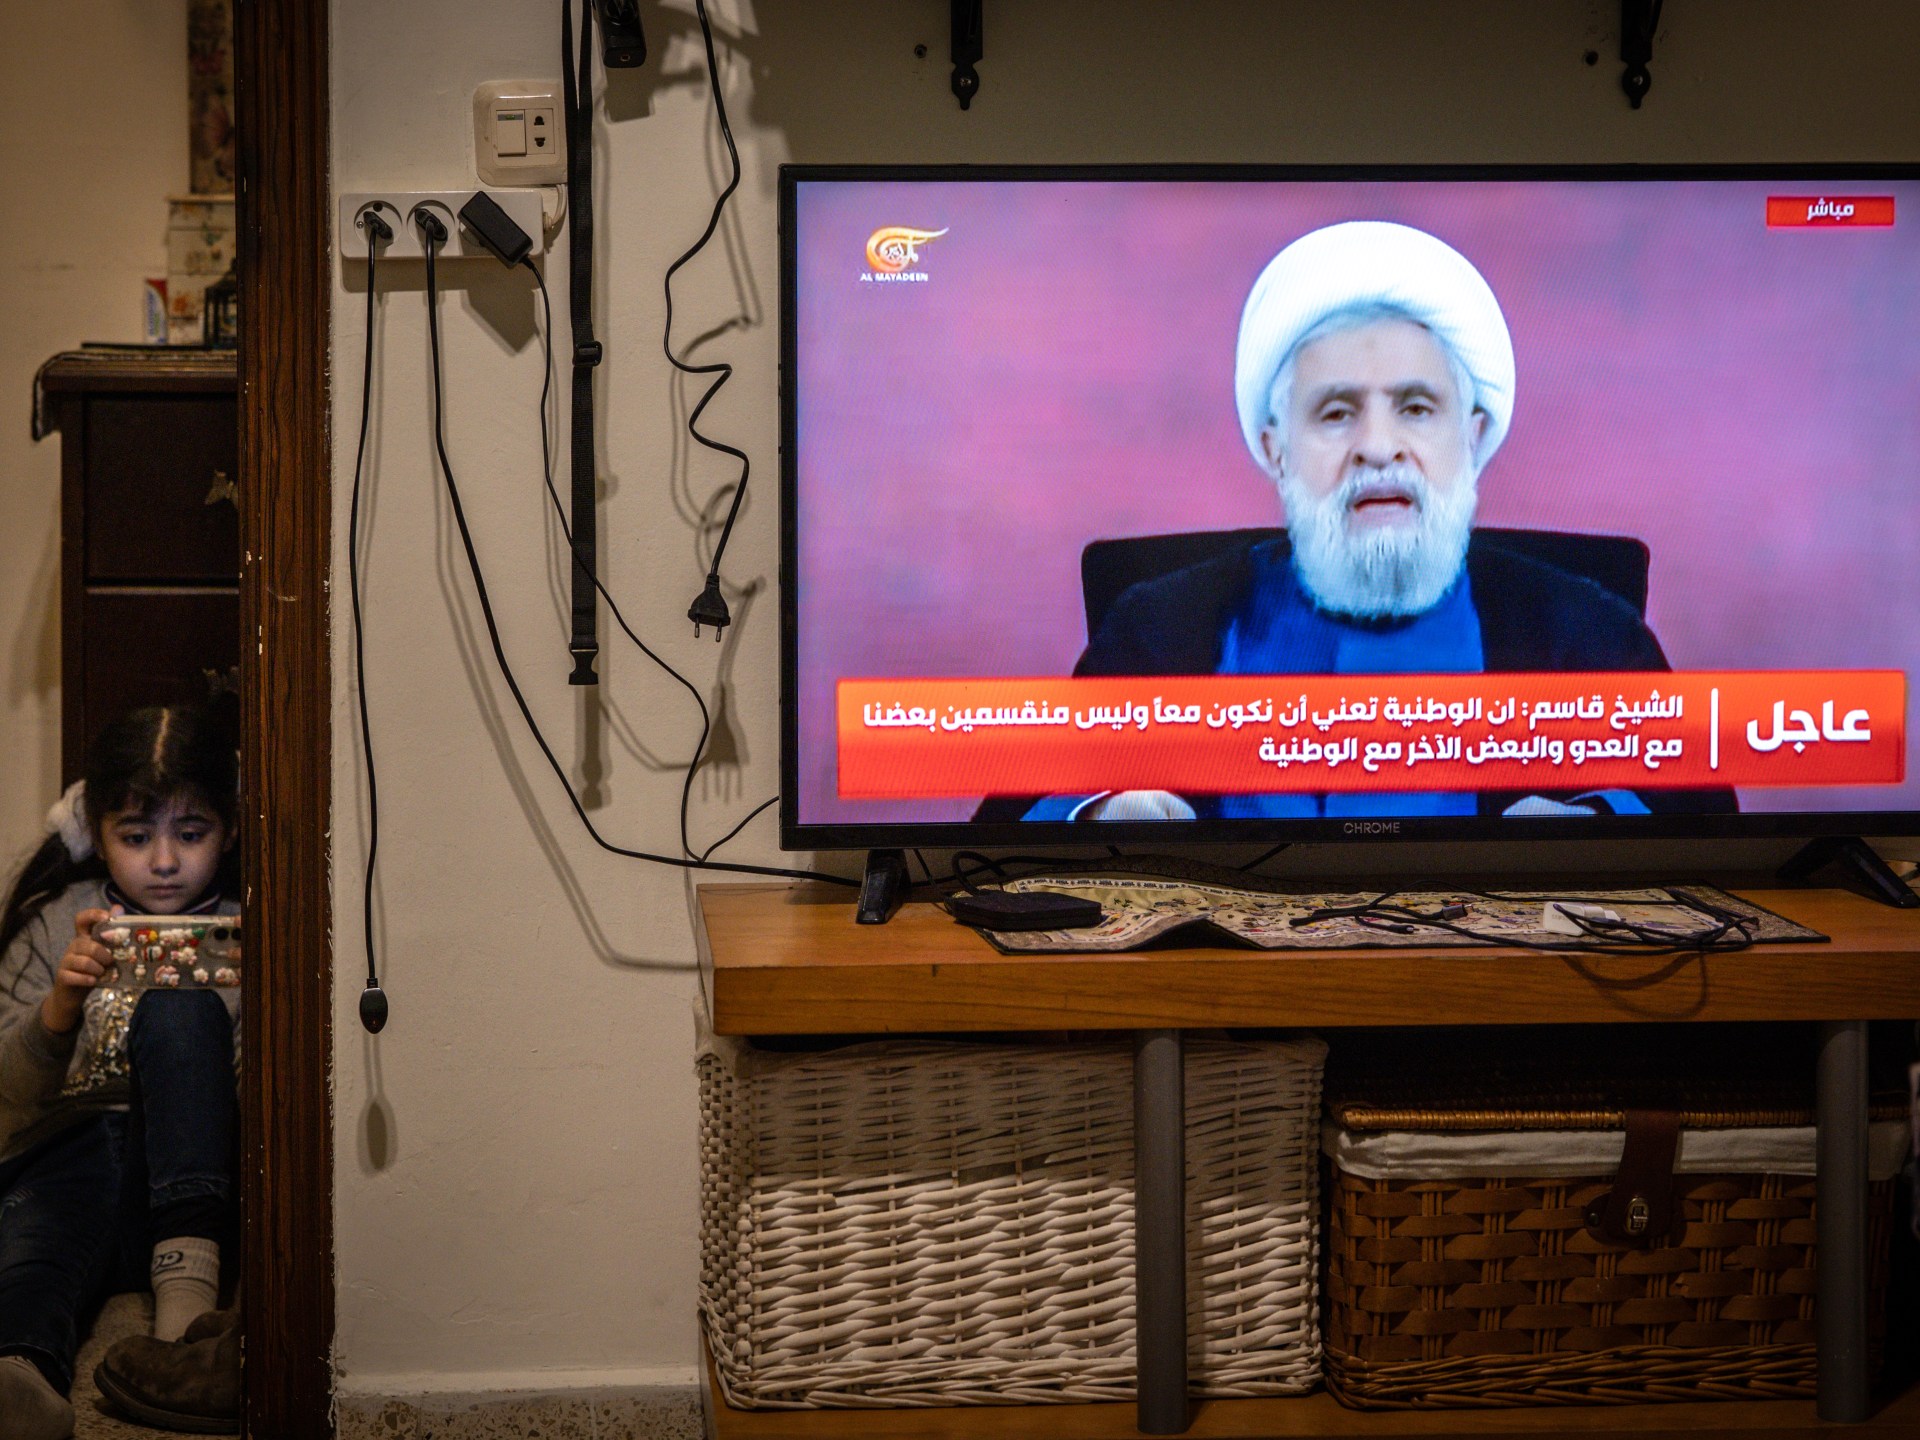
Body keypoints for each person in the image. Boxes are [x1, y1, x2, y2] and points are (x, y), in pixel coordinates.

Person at [1011, 219, 1733, 822]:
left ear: (1473, 436)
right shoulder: (1165, 627)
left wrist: (1599, 821)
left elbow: (1701, 818)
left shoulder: (1582, 627)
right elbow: (1015, 819)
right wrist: (1098, 816)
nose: (1378, 446)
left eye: (1416, 408)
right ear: (1276, 449)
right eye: (1336, 413)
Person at [0, 705, 241, 1440]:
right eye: (136, 837)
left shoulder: (251, 931)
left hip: (189, 1196)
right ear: (96, 836)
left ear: (229, 832)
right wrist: (58, 1009)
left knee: (180, 1008)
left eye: (190, 834)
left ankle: (181, 1335)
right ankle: (21, 1371)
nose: (164, 861)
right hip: (64, 1168)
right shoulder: (56, 922)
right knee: (35, 1251)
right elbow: (7, 1099)